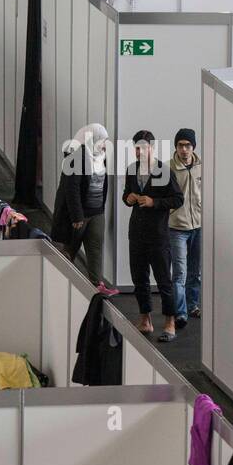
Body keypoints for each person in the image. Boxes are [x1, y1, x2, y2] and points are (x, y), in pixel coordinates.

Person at [124, 130, 182, 342]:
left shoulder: (164, 172)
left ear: (152, 148)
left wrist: (154, 202)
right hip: (136, 234)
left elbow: (177, 199)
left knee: (164, 281)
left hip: (158, 235)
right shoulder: (132, 170)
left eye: (144, 148)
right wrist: (127, 198)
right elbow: (125, 194)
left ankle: (170, 322)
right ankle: (145, 319)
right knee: (139, 279)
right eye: (137, 148)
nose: (140, 152)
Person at [50, 123, 119, 297]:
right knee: (70, 248)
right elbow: (71, 189)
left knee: (96, 247)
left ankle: (97, 285)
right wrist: (76, 216)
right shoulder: (76, 157)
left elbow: (102, 184)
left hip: (97, 212)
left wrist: (101, 207)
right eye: (102, 140)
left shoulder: (101, 156)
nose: (104, 144)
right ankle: (59, 283)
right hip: (80, 213)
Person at [168, 127, 203, 329]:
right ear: (176, 147)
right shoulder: (168, 169)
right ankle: (180, 313)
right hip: (177, 227)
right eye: (180, 145)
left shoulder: (202, 167)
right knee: (179, 273)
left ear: (193, 146)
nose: (184, 149)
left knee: (195, 271)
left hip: (198, 225)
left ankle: (193, 305)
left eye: (187, 145)